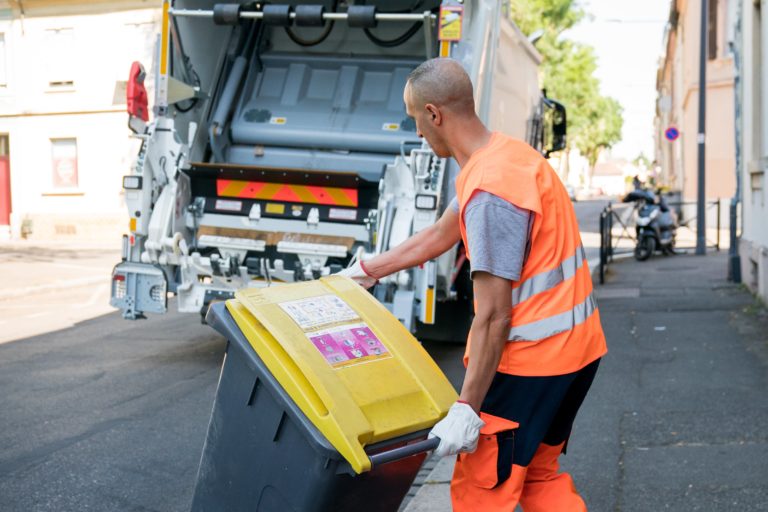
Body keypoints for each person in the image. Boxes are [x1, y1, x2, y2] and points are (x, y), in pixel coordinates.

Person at [339, 58, 607, 511]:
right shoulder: (507, 156)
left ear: (434, 113)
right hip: (577, 353)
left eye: (416, 120)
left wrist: (467, 407)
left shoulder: (489, 193)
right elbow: (440, 234)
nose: (418, 133)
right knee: (539, 478)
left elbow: (494, 315)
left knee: (481, 492)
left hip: (531, 367)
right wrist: (367, 270)